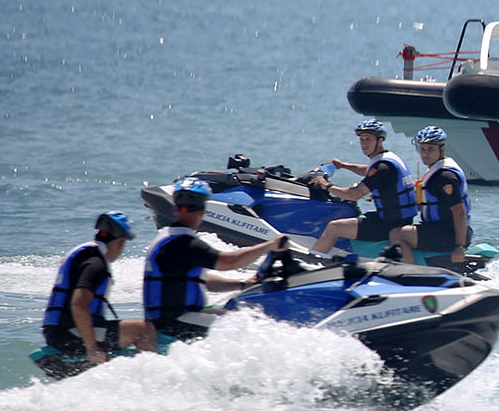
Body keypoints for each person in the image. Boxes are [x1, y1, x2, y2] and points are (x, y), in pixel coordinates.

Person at [142, 179, 287, 343]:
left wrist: (241, 285)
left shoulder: (167, 237)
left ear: (175, 209)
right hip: (174, 322)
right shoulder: (183, 243)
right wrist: (270, 245)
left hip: (171, 319)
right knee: (250, 323)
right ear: (203, 211)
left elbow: (199, 279)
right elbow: (229, 262)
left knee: (241, 316)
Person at [43, 211, 158, 364]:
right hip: (69, 334)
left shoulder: (87, 254)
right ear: (120, 242)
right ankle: (148, 377)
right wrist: (92, 348)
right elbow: (79, 303)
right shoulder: (96, 263)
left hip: (59, 331)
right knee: (143, 330)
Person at [311, 119, 417, 257]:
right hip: (399, 219)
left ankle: (313, 260)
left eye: (368, 139)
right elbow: (369, 171)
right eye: (362, 140)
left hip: (389, 224)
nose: (364, 144)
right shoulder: (389, 159)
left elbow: (355, 194)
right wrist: (343, 165)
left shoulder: (382, 167)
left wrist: (327, 186)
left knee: (334, 227)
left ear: (380, 140)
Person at [390, 125, 470, 269]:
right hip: (439, 229)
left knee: (397, 234)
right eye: (423, 149)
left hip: (448, 234)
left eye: (431, 149)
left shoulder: (445, 177)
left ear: (442, 148)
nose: (425, 154)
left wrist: (459, 246)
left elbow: (459, 212)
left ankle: (408, 274)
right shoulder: (437, 170)